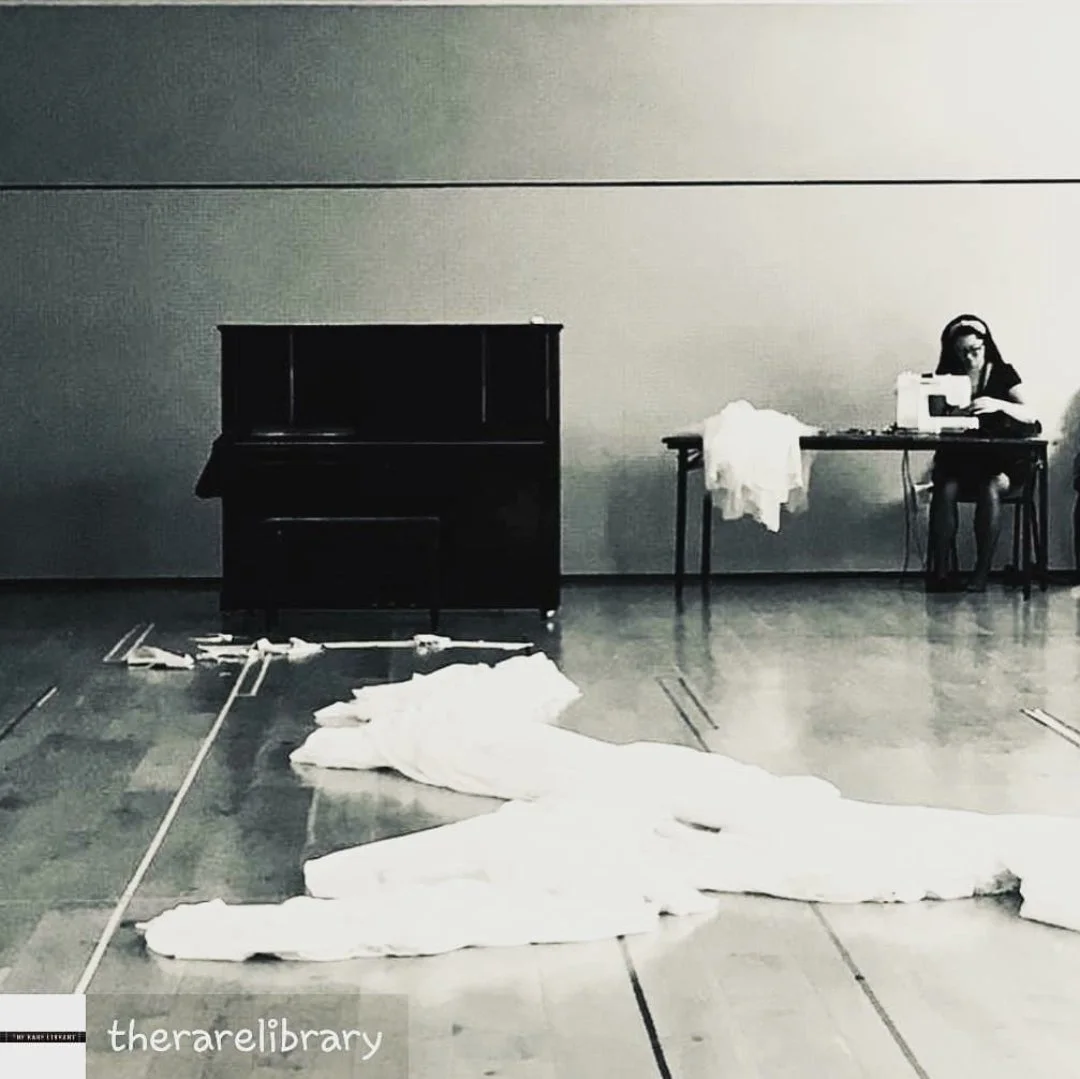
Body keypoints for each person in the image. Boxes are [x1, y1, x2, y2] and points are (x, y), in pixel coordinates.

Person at [927, 314, 1040, 592]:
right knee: (945, 488)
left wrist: (998, 404)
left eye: (974, 351)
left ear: (986, 346)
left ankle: (981, 573)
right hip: (962, 460)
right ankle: (941, 572)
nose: (969, 359)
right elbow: (935, 420)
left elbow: (1031, 414)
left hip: (1002, 461)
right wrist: (954, 414)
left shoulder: (1003, 373)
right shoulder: (946, 377)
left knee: (989, 486)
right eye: (961, 353)